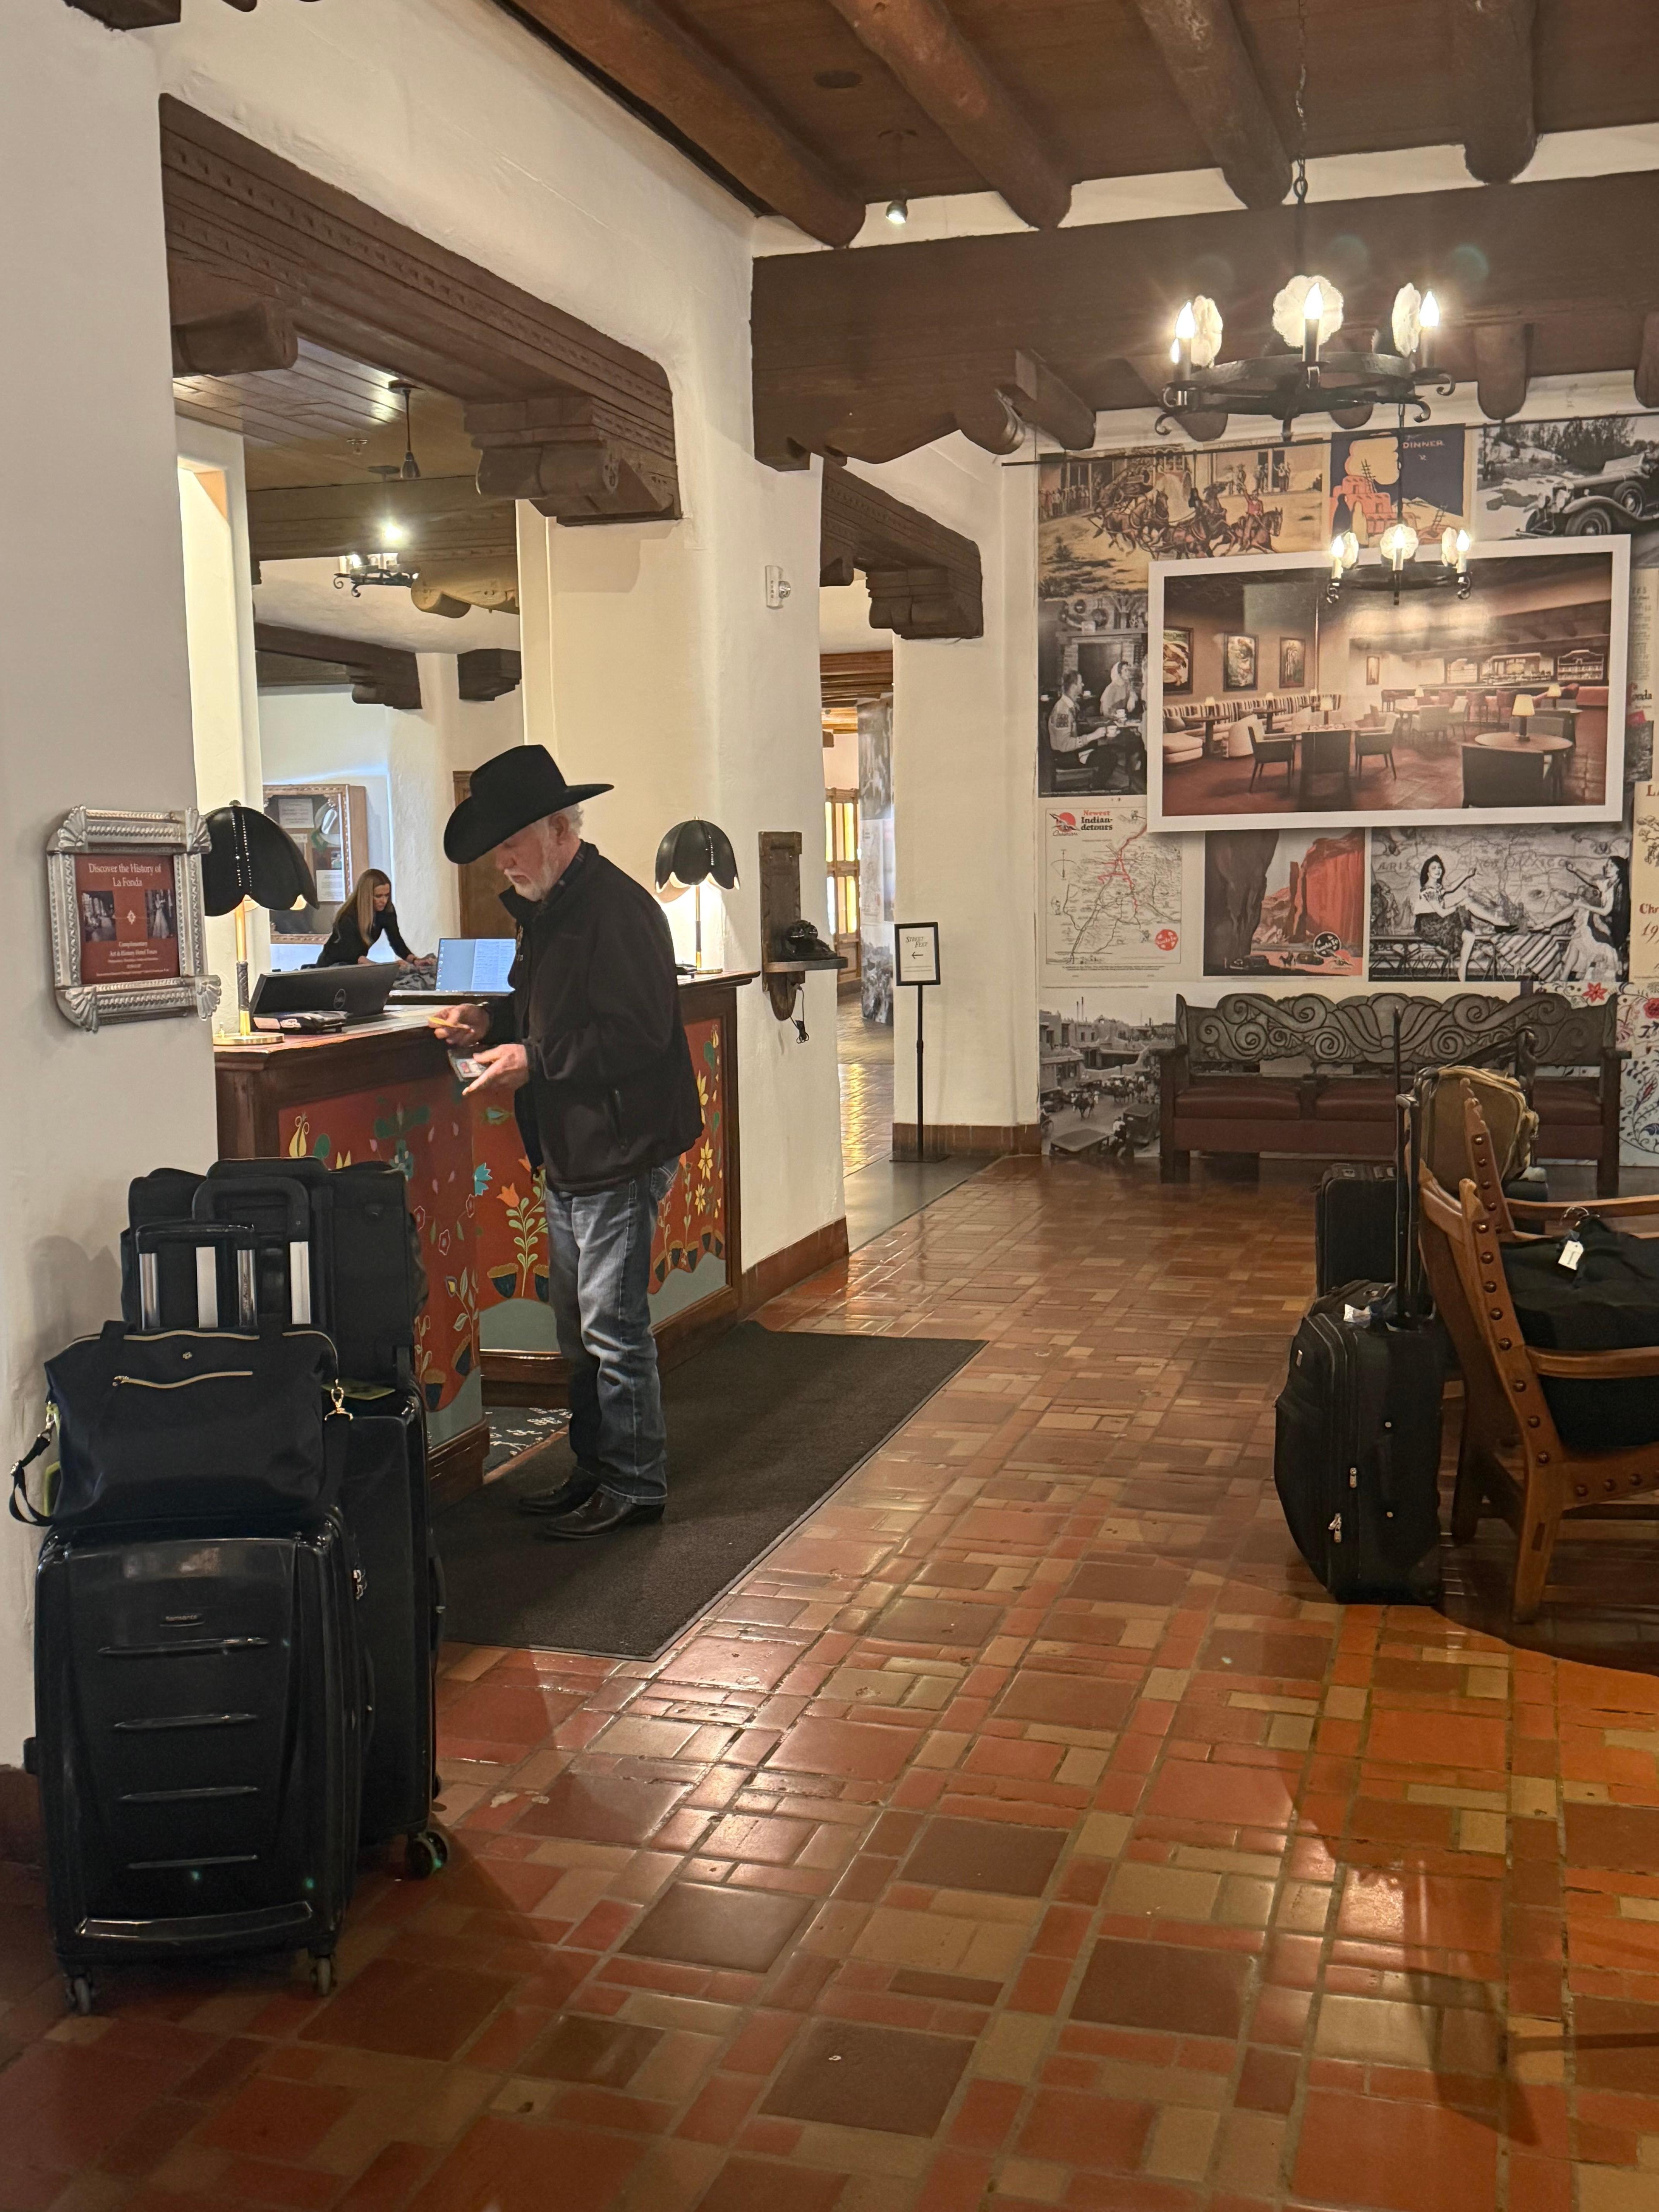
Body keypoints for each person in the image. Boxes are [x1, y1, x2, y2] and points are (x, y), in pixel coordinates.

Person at [434, 745, 702, 1540]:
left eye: (512, 843)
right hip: (577, 1150)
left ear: (557, 830)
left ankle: (635, 1483)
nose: (503, 861)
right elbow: (553, 1011)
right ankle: (596, 1470)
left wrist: (534, 1061)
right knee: (577, 1333)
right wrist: (496, 1023)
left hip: (618, 1150)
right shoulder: (557, 907)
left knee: (609, 1330)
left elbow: (637, 1034)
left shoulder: (613, 910)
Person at [317, 868, 419, 967]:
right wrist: (390, 967)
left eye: (387, 895)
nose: (384, 901)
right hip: (332, 967)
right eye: (378, 896)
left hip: (355, 966)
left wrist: (414, 960)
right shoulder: (347, 917)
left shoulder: (387, 910)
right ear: (367, 896)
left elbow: (396, 940)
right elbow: (355, 958)